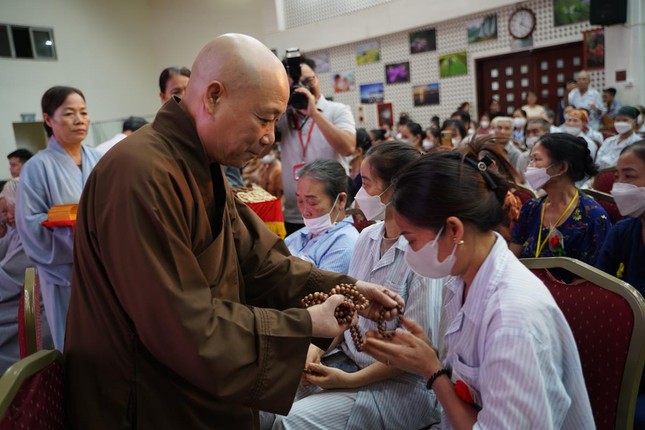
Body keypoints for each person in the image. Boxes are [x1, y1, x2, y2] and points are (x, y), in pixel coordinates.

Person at [64, 34, 401, 429]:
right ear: (213, 97)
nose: (270, 137)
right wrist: (306, 323)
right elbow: (179, 324)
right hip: (144, 392)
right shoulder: (141, 174)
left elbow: (262, 264)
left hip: (190, 377)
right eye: (264, 118)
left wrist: (348, 290)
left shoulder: (201, 166)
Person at [362, 150, 594, 429]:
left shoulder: (512, 320)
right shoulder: (462, 279)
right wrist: (428, 353)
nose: (410, 253)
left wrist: (431, 369)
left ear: (454, 230)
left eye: (411, 240)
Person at [266, 142, 443, 430]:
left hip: (400, 385)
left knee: (289, 424)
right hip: (347, 359)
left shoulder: (424, 252)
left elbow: (416, 351)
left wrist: (348, 381)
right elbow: (349, 312)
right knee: (264, 403)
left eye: (367, 183)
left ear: (397, 188)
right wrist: (317, 349)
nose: (360, 193)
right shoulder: (367, 237)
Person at [15, 86, 101, 350]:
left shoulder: (101, 160)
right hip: (65, 276)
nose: (79, 120)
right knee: (79, 344)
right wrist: (81, 236)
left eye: (83, 112)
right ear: (48, 119)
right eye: (69, 113)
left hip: (106, 270)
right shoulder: (36, 167)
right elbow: (31, 226)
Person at [510, 133, 611, 277]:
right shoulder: (531, 208)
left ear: (561, 168)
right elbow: (513, 259)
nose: (530, 166)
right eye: (531, 160)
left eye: (536, 159)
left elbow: (593, 279)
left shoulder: (593, 218)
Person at [595, 140, 645, 429]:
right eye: (617, 177)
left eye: (630, 176)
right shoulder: (623, 231)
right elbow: (599, 293)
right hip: (625, 350)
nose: (619, 187)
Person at [277, 56, 356, 235]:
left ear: (317, 78)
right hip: (295, 214)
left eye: (308, 81)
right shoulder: (284, 117)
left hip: (332, 213)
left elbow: (348, 147)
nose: (302, 87)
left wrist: (314, 113)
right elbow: (259, 151)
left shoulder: (338, 110)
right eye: (294, 84)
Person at [0, 178, 53, 373]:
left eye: (8, 210)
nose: (7, 217)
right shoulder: (18, 231)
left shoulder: (34, 233)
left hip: (34, 307)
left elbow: (8, 276)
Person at [284, 159, 358, 275]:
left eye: (312, 203)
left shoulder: (345, 244)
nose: (305, 211)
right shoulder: (304, 233)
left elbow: (320, 284)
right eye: (299, 201)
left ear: (340, 200)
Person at [595, 106, 642, 170]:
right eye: (618, 120)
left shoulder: (638, 144)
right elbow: (597, 162)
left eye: (625, 120)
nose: (621, 123)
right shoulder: (608, 141)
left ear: (634, 122)